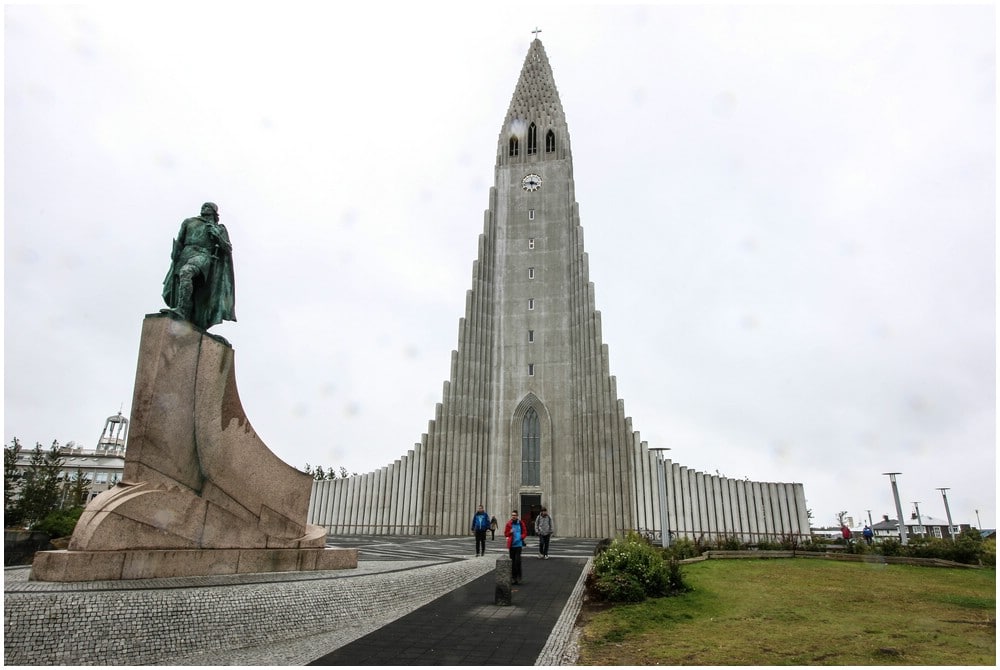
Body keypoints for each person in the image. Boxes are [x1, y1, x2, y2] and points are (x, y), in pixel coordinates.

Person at [162, 202, 236, 331]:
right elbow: (180, 241)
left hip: (204, 255)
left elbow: (228, 248)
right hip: (186, 253)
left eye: (207, 206)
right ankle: (188, 312)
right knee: (183, 281)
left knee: (187, 272)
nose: (203, 208)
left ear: (214, 212)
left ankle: (182, 310)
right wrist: (175, 254)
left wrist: (218, 237)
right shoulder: (189, 222)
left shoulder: (219, 228)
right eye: (203, 206)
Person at [504, 509, 528, 584]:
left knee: (517, 562)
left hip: (518, 545)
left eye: (515, 515)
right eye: (512, 515)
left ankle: (519, 577)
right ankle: (513, 578)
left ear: (517, 516)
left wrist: (521, 537)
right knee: (512, 562)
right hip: (512, 545)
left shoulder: (521, 523)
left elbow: (525, 532)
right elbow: (506, 534)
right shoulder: (509, 524)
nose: (513, 516)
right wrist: (509, 532)